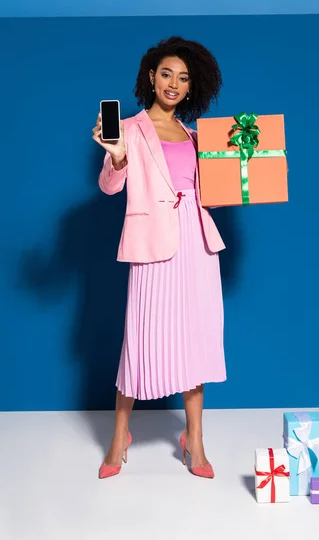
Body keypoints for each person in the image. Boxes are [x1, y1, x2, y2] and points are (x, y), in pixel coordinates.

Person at [92, 36, 227, 480]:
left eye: (183, 78)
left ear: (192, 88)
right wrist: (116, 157)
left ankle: (195, 440)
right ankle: (119, 437)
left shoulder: (194, 134)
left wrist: (249, 171)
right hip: (154, 242)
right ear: (151, 76)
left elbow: (216, 188)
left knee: (197, 336)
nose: (173, 83)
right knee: (141, 336)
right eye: (166, 73)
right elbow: (111, 186)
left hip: (197, 242)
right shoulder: (129, 129)